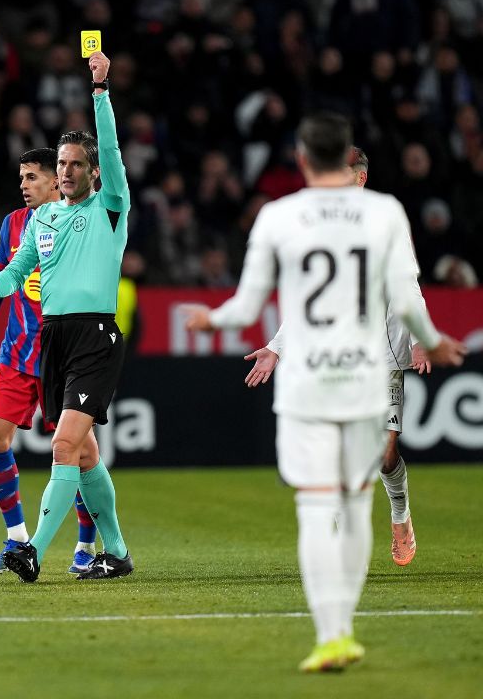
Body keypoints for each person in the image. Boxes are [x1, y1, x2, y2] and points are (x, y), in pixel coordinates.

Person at [181, 113, 466, 672]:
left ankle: (330, 633)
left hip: (313, 382)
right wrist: (431, 340)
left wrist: (214, 321)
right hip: (362, 375)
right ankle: (343, 630)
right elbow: (407, 291)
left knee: (321, 500)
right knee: (353, 500)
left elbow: (249, 302)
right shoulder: (386, 214)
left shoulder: (279, 216)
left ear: (303, 159)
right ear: (346, 161)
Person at [0, 50, 133, 582]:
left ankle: (32, 549)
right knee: (82, 454)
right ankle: (116, 551)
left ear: (94, 172)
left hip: (94, 337)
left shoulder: (109, 206)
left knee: (62, 445)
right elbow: (18, 269)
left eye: (75, 164)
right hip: (52, 339)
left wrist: (100, 91)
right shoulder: (42, 218)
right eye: (60, 164)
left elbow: (110, 146)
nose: (65, 172)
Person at [242, 146, 431, 567]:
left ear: (359, 178)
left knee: (384, 453)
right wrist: (276, 348)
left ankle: (400, 514)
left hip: (381, 357)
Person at [0, 147, 101, 576]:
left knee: (79, 454)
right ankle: (16, 538)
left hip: (65, 357)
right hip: (16, 354)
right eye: (21, 178)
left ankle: (87, 544)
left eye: (32, 177)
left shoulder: (80, 221)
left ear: (56, 180)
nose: (23, 185)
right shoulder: (13, 224)